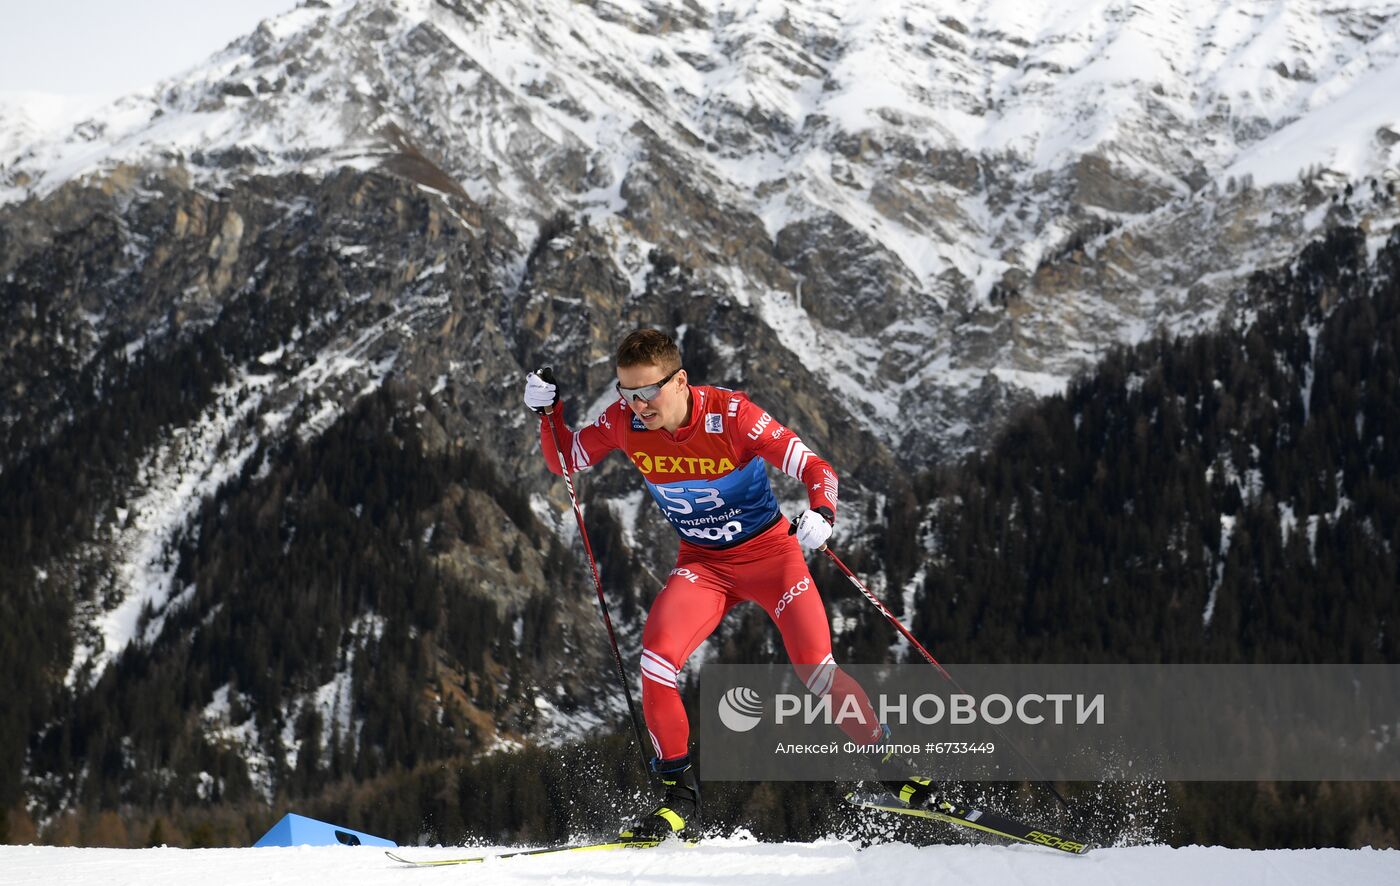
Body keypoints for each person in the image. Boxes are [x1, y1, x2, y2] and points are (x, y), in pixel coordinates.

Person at [524, 328, 928, 840]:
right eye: (626, 393)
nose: (637, 405)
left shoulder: (731, 415)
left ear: (681, 381)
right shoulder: (625, 423)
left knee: (817, 671)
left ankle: (891, 769)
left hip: (771, 556)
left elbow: (815, 467)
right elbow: (566, 459)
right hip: (704, 566)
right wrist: (548, 414)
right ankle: (679, 798)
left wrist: (823, 512)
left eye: (647, 391)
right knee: (655, 660)